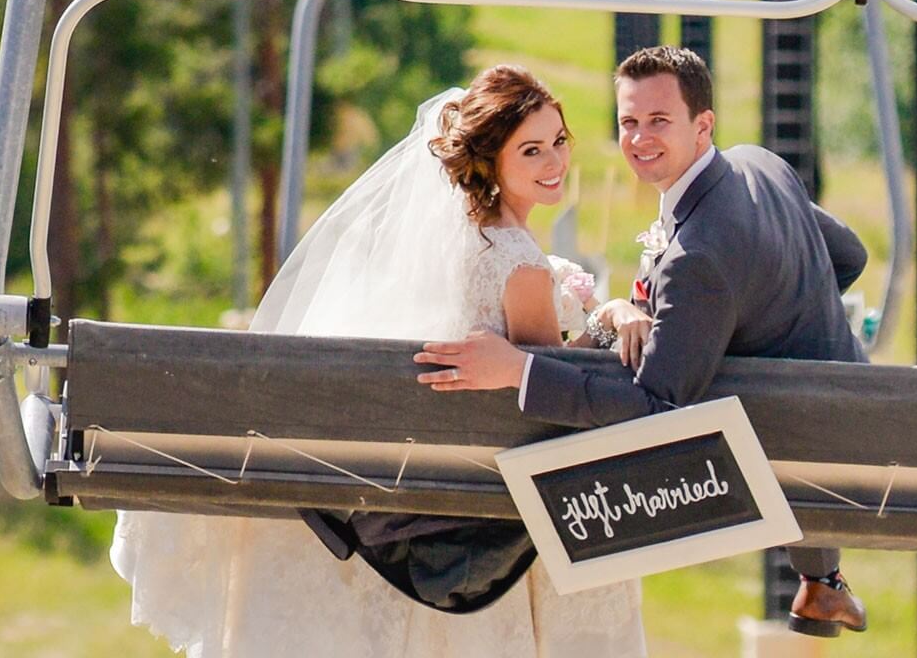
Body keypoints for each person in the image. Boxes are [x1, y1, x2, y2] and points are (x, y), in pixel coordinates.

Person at [110, 66, 646, 657]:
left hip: (422, 469)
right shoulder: (520, 262)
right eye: (532, 149)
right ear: (491, 160)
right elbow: (552, 390)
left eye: (559, 141)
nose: (555, 162)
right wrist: (608, 315)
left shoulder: (471, 236)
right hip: (482, 495)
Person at [416, 46, 871, 638]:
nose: (638, 138)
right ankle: (822, 581)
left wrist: (520, 371)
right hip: (850, 419)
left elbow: (657, 413)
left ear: (702, 125)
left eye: (659, 121)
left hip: (805, 449)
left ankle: (820, 583)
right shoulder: (761, 164)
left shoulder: (698, 256)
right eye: (628, 122)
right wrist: (771, 310)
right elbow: (851, 256)